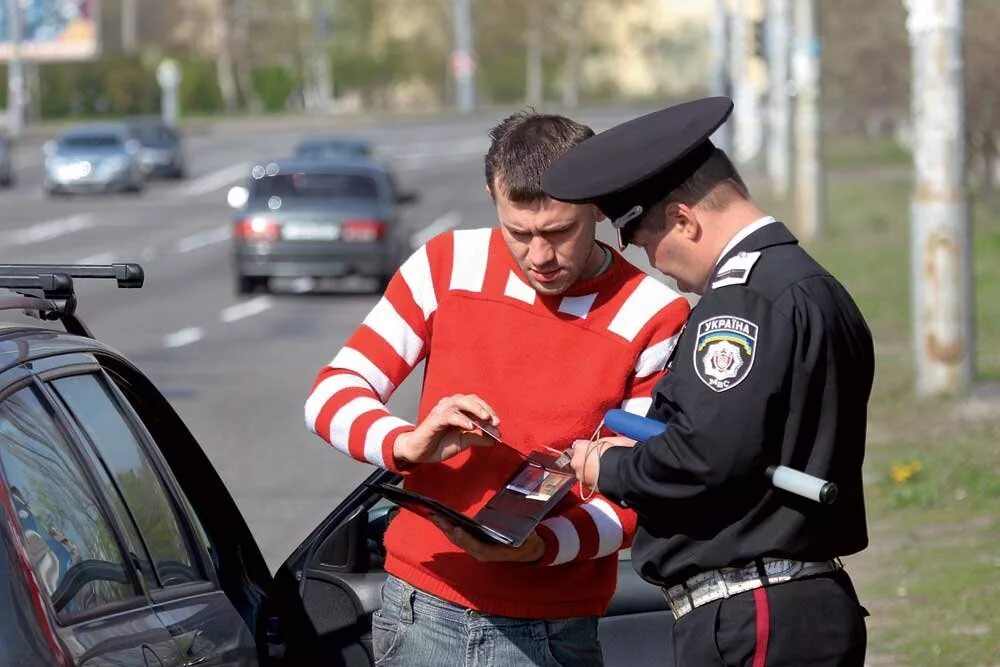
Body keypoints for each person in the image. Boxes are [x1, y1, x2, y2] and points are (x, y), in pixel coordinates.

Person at [304, 111, 691, 665]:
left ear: (599, 206)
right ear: (492, 194)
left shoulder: (653, 313)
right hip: (419, 609)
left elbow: (638, 493)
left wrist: (539, 549)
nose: (540, 256)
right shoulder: (445, 264)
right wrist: (406, 443)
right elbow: (330, 395)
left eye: (560, 232)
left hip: (555, 630)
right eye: (520, 232)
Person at [544, 97, 873, 666]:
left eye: (648, 245)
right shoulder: (808, 285)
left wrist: (608, 466)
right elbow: (745, 442)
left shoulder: (741, 302)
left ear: (683, 220)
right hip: (785, 606)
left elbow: (706, 456)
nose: (658, 265)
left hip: (753, 613)